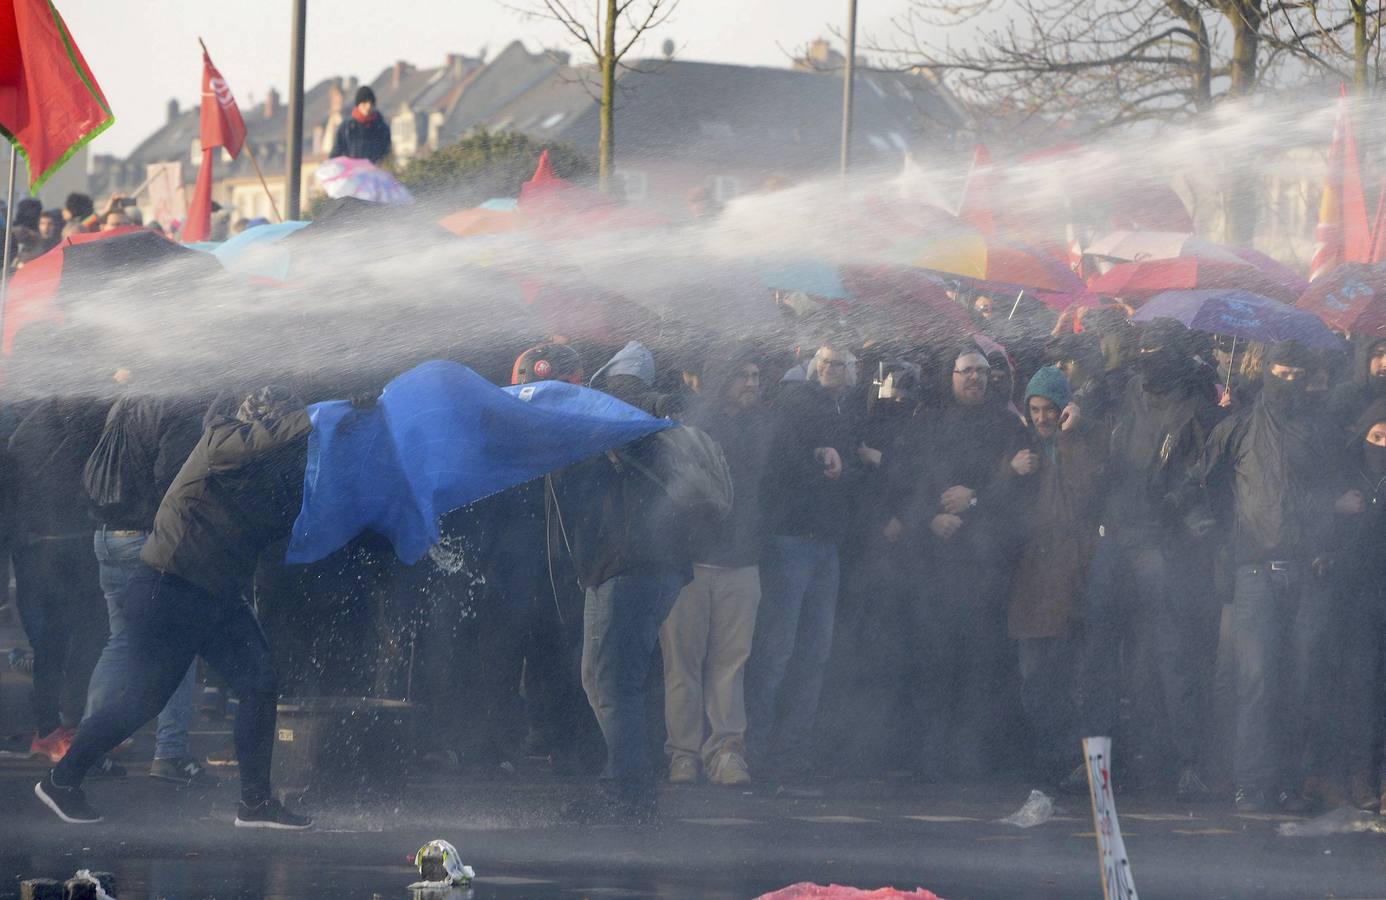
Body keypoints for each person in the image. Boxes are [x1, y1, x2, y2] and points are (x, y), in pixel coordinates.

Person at [35, 387, 317, 828]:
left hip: (217, 594)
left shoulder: (263, 474)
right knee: (142, 701)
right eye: (283, 430)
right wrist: (313, 416)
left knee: (259, 683)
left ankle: (256, 804)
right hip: (171, 588)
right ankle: (62, 780)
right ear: (265, 426)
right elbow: (250, 443)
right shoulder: (221, 441)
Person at [1194, 341, 1341, 814]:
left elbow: (1339, 486)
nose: (1289, 379)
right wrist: (1219, 540)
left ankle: (1288, 784)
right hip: (1253, 572)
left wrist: (1327, 537)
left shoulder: (1319, 429)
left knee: (1299, 681)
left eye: (1298, 371)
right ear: (1267, 370)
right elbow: (1200, 488)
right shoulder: (1237, 427)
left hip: (1307, 572)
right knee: (1255, 682)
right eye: (1282, 369)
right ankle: (1251, 784)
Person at [1078, 318, 1220, 800]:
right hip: (1117, 534)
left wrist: (1174, 502)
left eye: (1157, 352)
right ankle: (1094, 761)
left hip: (1159, 541)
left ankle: (1188, 764)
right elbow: (1089, 407)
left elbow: (1200, 473)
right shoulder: (1123, 390)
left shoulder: (1193, 406)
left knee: (1170, 653)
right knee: (1099, 653)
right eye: (1143, 351)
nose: (1147, 359)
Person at [554, 342, 693, 823]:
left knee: (613, 681)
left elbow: (635, 396)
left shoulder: (621, 396)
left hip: (630, 565)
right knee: (603, 678)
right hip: (629, 565)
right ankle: (626, 785)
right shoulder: (637, 417)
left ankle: (628, 794)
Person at [884, 342, 1029, 777]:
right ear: (950, 377)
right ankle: (930, 758)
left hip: (986, 567)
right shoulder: (928, 425)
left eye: (982, 372)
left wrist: (977, 500)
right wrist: (930, 518)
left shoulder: (1008, 426)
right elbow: (904, 483)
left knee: (982, 665)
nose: (975, 379)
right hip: (935, 566)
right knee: (932, 660)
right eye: (966, 371)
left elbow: (1020, 490)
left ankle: (978, 760)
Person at [80, 390, 210, 784]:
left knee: (119, 644)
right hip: (148, 538)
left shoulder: (123, 401)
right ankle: (170, 754)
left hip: (107, 535)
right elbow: (175, 476)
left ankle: (87, 750)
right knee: (177, 645)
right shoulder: (180, 401)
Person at [745, 340, 858, 781]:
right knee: (780, 650)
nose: (833, 369)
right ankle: (758, 747)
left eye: (841, 363)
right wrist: (817, 454)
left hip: (824, 543)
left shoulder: (843, 411)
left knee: (812, 652)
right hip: (791, 541)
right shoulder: (797, 401)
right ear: (812, 367)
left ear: (852, 371)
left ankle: (789, 749)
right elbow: (786, 456)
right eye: (826, 362)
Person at [660, 345, 768, 786]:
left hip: (743, 561)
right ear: (723, 378)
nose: (752, 384)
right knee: (682, 663)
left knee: (731, 664)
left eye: (757, 375)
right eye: (743, 375)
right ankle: (682, 754)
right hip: (691, 562)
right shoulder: (694, 425)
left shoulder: (764, 427)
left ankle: (726, 751)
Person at [1007, 366, 1107, 784]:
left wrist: (1069, 438)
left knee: (1069, 677)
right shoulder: (1024, 449)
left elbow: (1084, 495)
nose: (1042, 417)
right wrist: (1008, 471)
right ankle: (1043, 758)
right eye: (1035, 409)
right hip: (1032, 580)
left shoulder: (1084, 441)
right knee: (1035, 678)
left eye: (1050, 409)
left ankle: (1070, 761)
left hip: (1070, 575)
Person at [8, 396, 110, 765]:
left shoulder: (36, 425)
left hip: (47, 548)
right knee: (73, 640)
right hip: (59, 550)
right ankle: (58, 730)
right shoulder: (74, 420)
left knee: (63, 642)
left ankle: (59, 728)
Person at [1322, 399, 1386, 811]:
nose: (1383, 446)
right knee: (1361, 691)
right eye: (1377, 437)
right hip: (1356, 600)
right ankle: (1359, 775)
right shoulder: (1348, 479)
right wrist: (1338, 508)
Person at [330, 86, 392, 164]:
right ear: (358, 104)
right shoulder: (346, 128)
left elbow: (387, 156)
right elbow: (336, 155)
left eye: (371, 103)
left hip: (374, 173)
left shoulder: (382, 128)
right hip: (352, 174)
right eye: (364, 103)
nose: (368, 106)